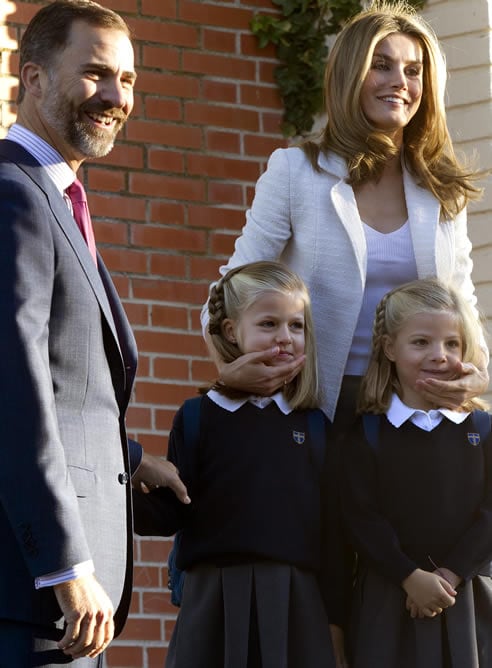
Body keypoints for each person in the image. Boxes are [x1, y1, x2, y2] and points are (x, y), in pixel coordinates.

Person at [201, 0, 489, 436]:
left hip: (416, 408)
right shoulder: (295, 171)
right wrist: (230, 366)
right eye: (382, 66)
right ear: (350, 74)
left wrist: (480, 371)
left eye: (414, 71)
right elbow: (233, 284)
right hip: (316, 407)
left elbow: (461, 297)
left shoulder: (440, 188)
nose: (400, 82)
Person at [0, 1, 188, 665]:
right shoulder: (13, 195)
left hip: (72, 604)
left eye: (128, 80)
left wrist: (131, 461)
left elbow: (62, 380)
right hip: (36, 592)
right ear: (35, 78)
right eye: (96, 74)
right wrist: (61, 567)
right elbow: (13, 388)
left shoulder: (57, 198)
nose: (114, 96)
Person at [133, 261, 349, 668]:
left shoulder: (317, 426)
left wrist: (335, 623)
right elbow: (169, 513)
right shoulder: (199, 417)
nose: (285, 337)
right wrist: (123, 478)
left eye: (296, 325)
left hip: (297, 603)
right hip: (211, 601)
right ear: (232, 331)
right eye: (269, 323)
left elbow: (333, 535)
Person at [341, 278, 492, 667]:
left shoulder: (482, 429)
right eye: (421, 342)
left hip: (469, 598)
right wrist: (409, 576)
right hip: (390, 598)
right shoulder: (368, 433)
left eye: (452, 344)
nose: (439, 355)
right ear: (390, 348)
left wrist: (451, 574)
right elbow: (359, 516)